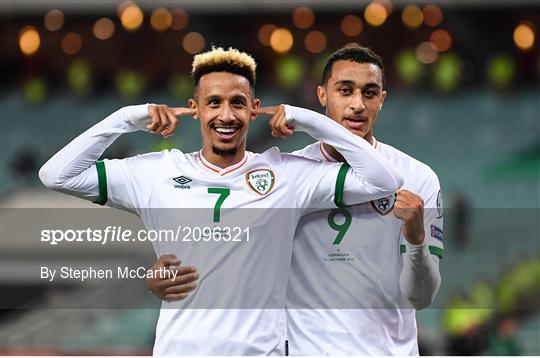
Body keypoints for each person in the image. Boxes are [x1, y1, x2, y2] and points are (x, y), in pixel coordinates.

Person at [39, 47, 403, 355]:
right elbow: (57, 174)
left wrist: (306, 118)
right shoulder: (155, 173)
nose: (226, 115)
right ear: (194, 108)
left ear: (255, 109)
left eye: (238, 103)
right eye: (213, 102)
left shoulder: (287, 175)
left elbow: (384, 180)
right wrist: (126, 118)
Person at [148, 45, 443, 355]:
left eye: (369, 93)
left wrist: (417, 239)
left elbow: (421, 297)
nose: (357, 104)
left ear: (381, 100)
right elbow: (223, 253)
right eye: (345, 90)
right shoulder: (283, 177)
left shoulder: (416, 177)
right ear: (322, 95)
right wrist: (160, 280)